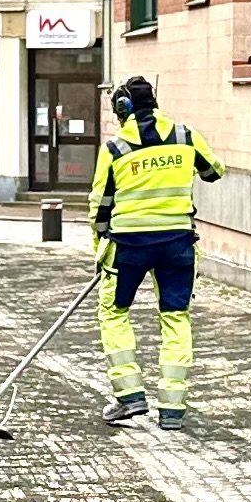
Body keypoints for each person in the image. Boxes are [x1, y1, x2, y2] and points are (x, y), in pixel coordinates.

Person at [87, 75, 224, 429]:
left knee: (114, 313)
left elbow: (100, 206)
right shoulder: (185, 136)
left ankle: (130, 397)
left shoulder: (115, 148)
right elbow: (214, 172)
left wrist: (99, 246)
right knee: (176, 317)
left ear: (122, 108)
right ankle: (173, 409)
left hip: (128, 246)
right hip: (177, 244)